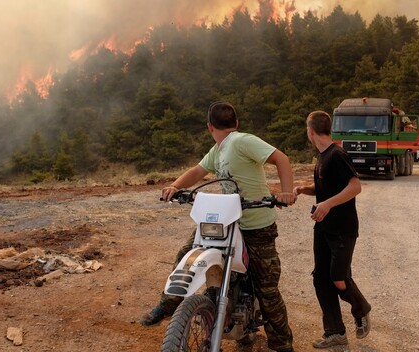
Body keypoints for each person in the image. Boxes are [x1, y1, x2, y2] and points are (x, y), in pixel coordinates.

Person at [140, 101, 297, 352]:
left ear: (209, 126)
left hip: (256, 224)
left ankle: (281, 343)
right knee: (187, 255)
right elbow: (198, 170)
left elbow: (281, 158)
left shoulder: (241, 141)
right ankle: (169, 306)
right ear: (235, 123)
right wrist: (176, 186)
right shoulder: (218, 149)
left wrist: (287, 193)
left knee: (266, 287)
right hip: (226, 219)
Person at [293, 110, 371, 349]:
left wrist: (327, 204)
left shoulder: (337, 154)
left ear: (310, 131)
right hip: (323, 227)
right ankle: (335, 332)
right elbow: (328, 188)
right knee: (321, 279)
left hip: (342, 229)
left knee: (338, 277)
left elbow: (355, 186)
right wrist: (304, 189)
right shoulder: (322, 156)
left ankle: (361, 309)